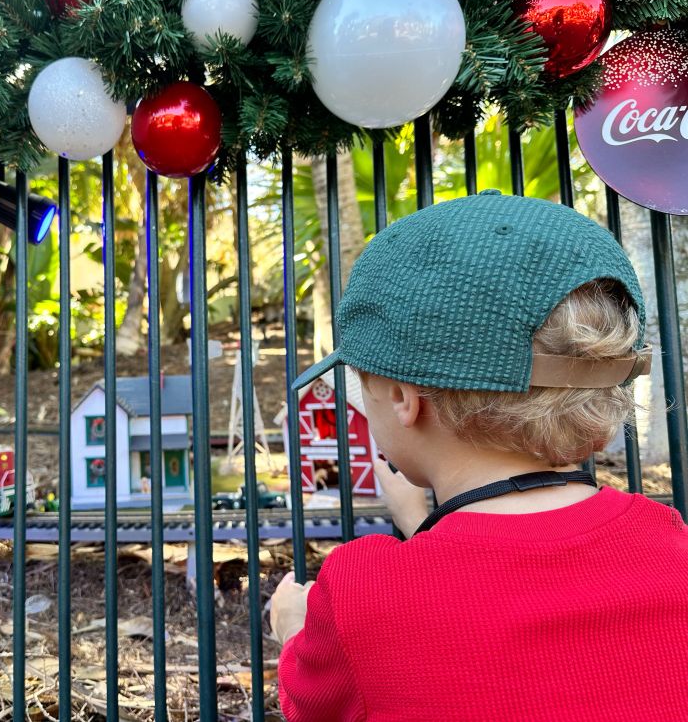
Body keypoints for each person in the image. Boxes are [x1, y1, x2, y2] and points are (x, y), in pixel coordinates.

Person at [270, 191, 688, 721]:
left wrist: (293, 629)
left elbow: (313, 702)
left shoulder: (362, 595)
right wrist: (422, 524)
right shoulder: (672, 543)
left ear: (401, 397)